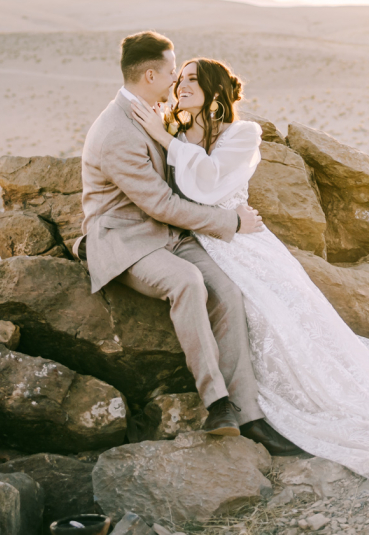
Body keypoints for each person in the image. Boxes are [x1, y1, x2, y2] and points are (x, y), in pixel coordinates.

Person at [128, 55, 369, 482]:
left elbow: (209, 183)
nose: (182, 87)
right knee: (239, 311)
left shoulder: (241, 135)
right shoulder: (174, 129)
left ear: (216, 91)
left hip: (241, 240)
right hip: (197, 240)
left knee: (281, 317)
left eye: (193, 79)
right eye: (181, 80)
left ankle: (302, 407)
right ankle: (248, 409)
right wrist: (164, 134)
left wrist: (163, 136)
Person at [75, 31, 302, 456]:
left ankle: (249, 414)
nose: (177, 78)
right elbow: (160, 202)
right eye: (171, 71)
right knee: (187, 284)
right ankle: (217, 404)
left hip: (169, 233)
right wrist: (229, 221)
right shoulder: (115, 131)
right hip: (125, 239)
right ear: (149, 74)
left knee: (229, 290)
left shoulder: (153, 111)